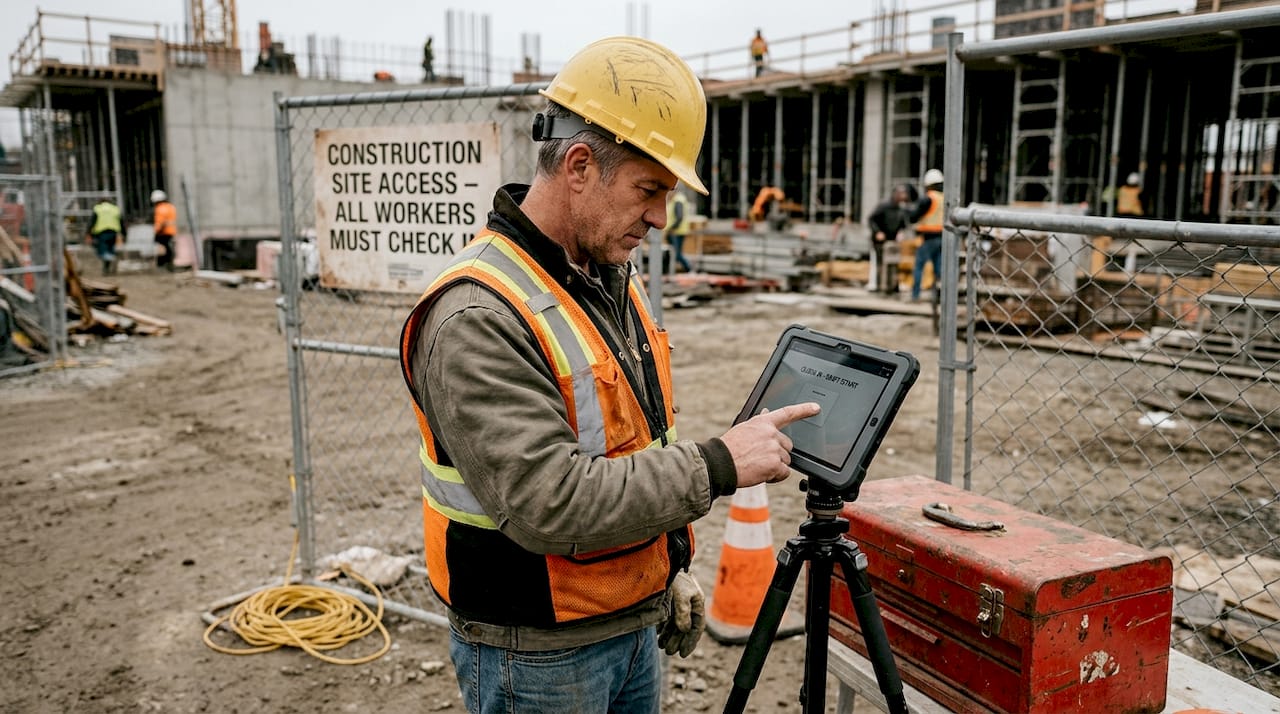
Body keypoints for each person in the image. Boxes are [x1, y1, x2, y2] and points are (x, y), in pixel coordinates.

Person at [398, 35, 819, 714]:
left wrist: (664, 569)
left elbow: (630, 446)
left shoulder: (606, 276)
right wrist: (718, 464)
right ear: (580, 165)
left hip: (627, 621)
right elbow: (548, 500)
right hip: (537, 654)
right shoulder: (478, 313)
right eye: (648, 190)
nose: (659, 218)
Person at [866, 184, 914, 296]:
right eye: (901, 194)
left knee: (894, 263)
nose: (903, 197)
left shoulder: (901, 208)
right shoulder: (884, 206)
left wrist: (901, 232)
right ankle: (880, 286)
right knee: (881, 263)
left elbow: (903, 223)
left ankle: (893, 287)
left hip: (893, 240)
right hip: (881, 240)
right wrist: (877, 232)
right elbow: (871, 219)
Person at [909, 168, 945, 302]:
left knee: (919, 266)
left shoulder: (928, 198)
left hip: (928, 237)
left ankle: (915, 296)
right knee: (938, 268)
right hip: (942, 236)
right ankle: (938, 296)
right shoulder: (944, 198)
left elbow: (914, 216)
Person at [86, 197, 122, 276]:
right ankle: (107, 267)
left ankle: (110, 260)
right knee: (110, 249)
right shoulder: (115, 209)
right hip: (113, 232)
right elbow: (121, 221)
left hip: (101, 233)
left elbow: (92, 222)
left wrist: (88, 233)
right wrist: (123, 233)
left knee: (102, 251)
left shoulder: (98, 208)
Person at [664, 187, 693, 273]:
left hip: (676, 232)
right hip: (674, 231)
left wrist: (671, 228)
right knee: (672, 253)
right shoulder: (674, 200)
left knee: (676, 254)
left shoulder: (678, 201)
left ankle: (689, 269)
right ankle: (669, 271)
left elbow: (679, 217)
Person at [151, 189, 177, 271]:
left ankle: (162, 264)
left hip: (163, 232)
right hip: (171, 231)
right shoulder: (170, 207)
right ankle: (169, 263)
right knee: (168, 248)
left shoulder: (160, 209)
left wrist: (156, 232)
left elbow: (160, 222)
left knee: (162, 249)